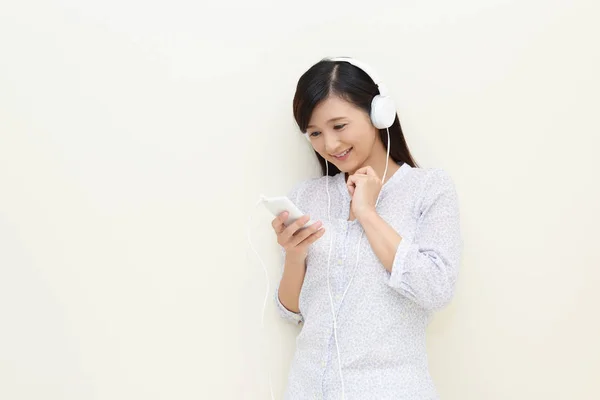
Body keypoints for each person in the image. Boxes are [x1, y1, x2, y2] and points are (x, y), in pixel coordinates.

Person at [271, 57, 463, 400]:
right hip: (307, 389)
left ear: (378, 115)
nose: (329, 145)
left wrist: (367, 213)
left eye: (339, 126)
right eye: (315, 133)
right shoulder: (307, 196)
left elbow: (436, 289)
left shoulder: (429, 189)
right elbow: (291, 312)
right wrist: (295, 254)